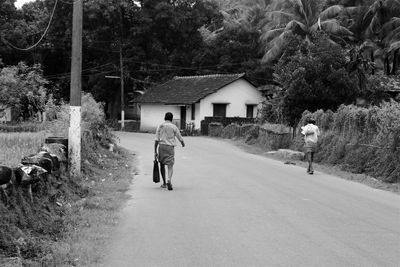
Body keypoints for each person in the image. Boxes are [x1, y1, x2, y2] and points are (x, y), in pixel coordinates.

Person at [154, 112, 185, 190]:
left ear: (165, 118)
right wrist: (182, 142)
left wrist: (155, 150)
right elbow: (179, 136)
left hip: (161, 147)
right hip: (170, 147)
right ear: (172, 119)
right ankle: (169, 180)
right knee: (170, 165)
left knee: (162, 164)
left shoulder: (160, 126)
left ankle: (164, 183)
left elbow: (156, 139)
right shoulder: (174, 127)